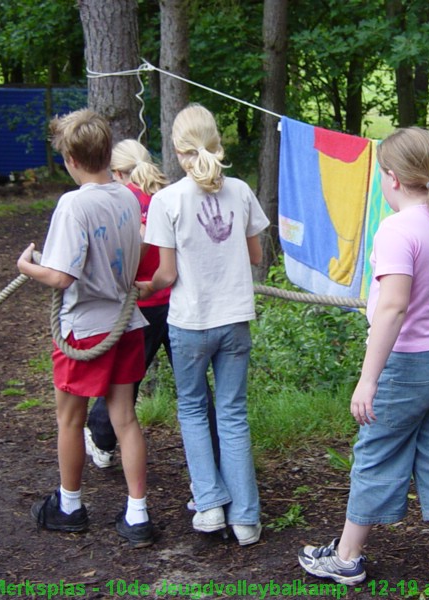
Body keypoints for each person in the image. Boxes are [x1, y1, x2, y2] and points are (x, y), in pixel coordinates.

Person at [297, 127, 429, 586]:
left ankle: (346, 559)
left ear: (389, 177)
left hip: (409, 366)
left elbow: (393, 307)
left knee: (376, 455)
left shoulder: (397, 229)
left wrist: (369, 380)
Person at [17, 109, 153, 548]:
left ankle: (70, 507)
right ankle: (137, 514)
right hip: (126, 323)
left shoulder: (74, 203)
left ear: (71, 159)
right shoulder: (128, 196)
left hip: (85, 329)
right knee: (126, 419)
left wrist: (27, 267)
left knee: (69, 420)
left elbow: (61, 277)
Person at [142, 103, 269, 546]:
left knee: (194, 411)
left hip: (190, 323)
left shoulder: (166, 200)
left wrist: (142, 289)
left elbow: (167, 276)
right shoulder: (240, 190)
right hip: (235, 320)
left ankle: (211, 505)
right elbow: (255, 257)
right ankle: (247, 518)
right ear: (217, 142)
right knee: (233, 415)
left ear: (177, 152)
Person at [84, 139, 221, 477]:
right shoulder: (172, 193)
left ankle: (102, 441)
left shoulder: (121, 200)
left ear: (117, 172)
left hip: (141, 303)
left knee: (124, 380)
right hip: (177, 302)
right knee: (195, 385)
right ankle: (218, 456)